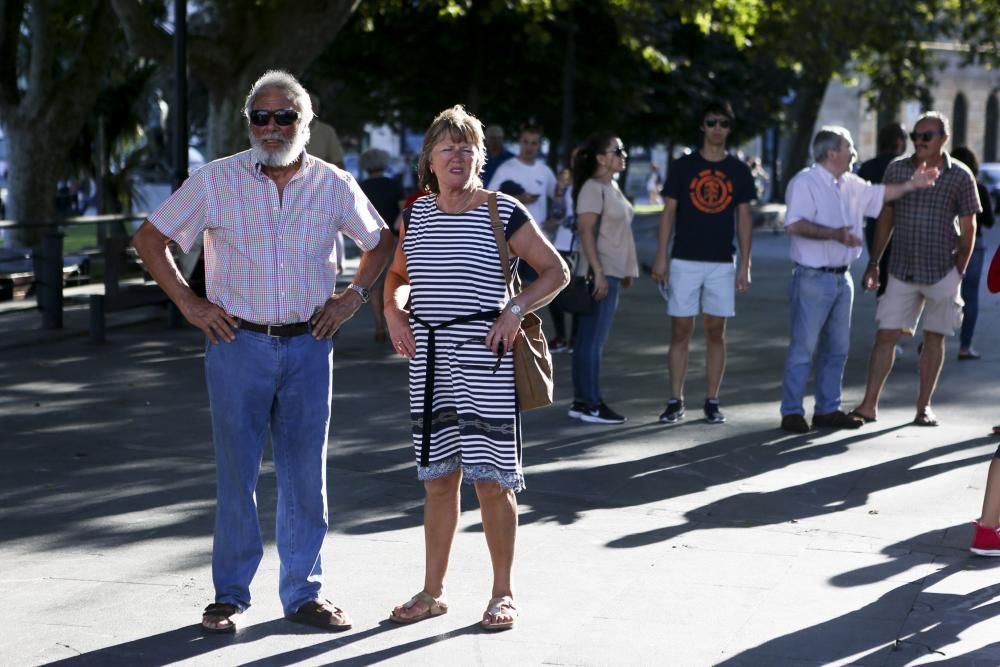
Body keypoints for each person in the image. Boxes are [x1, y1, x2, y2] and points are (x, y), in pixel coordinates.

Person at [131, 70, 394, 634]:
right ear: (247, 122)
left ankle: (304, 593)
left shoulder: (334, 184)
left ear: (306, 123)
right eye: (260, 117)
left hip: (308, 345)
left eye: (284, 117)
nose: (271, 127)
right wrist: (190, 304)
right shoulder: (215, 180)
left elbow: (379, 242)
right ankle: (230, 597)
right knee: (237, 475)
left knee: (305, 476)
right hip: (237, 344)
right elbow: (149, 240)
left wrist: (351, 299)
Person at [383, 105, 568, 631]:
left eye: (468, 147)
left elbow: (556, 270)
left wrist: (514, 311)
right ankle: (432, 591)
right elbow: (397, 275)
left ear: (480, 158)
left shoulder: (501, 209)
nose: (458, 155)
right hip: (431, 360)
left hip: (486, 359)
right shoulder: (415, 214)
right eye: (448, 147)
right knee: (439, 481)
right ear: (430, 160)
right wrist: (394, 313)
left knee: (492, 482)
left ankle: (502, 593)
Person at [779, 127, 938, 434]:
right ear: (831, 153)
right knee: (803, 348)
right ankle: (792, 412)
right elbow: (794, 224)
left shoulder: (850, 183)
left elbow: (881, 194)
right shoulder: (805, 183)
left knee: (837, 348)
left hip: (842, 279)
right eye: (849, 147)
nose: (854, 153)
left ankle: (827, 409)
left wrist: (912, 184)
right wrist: (835, 234)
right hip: (812, 277)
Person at [851, 112, 981, 427]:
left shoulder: (960, 175)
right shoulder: (897, 169)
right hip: (902, 268)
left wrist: (959, 269)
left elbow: (969, 225)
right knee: (885, 334)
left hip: (942, 269)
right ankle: (869, 405)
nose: (919, 141)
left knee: (934, 338)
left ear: (944, 138)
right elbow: (886, 219)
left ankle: (923, 407)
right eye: (916, 136)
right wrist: (874, 262)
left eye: (927, 135)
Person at [651, 100, 754, 425]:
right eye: (712, 122)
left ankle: (712, 400)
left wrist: (745, 264)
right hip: (683, 259)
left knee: (715, 332)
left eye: (723, 123)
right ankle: (675, 399)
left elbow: (744, 219)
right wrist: (661, 257)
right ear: (702, 126)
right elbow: (668, 212)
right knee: (680, 330)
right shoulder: (684, 166)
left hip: (722, 262)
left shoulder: (739, 170)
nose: (718, 129)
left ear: (729, 129)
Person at [567, 132, 639, 424]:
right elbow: (586, 232)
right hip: (600, 273)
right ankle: (591, 404)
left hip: (610, 272)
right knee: (592, 342)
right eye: (617, 150)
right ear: (601, 158)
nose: (623, 155)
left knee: (588, 340)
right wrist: (599, 273)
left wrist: (626, 270)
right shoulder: (593, 188)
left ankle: (583, 402)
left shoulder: (611, 187)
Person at [950, 146, 996, 360]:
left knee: (941, 294)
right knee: (970, 298)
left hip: (946, 244)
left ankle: (931, 340)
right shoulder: (979, 188)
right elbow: (989, 222)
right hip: (974, 247)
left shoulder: (945, 186)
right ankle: (965, 346)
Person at [359, 147, 406, 342]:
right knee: (396, 279)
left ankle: (379, 325)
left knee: (376, 286)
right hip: (393, 239)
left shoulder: (360, 186)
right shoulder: (394, 185)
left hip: (370, 240)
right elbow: (404, 211)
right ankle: (395, 322)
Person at [858, 124, 908, 297]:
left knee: (879, 269)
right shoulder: (906, 167)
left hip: (873, 226)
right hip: (902, 229)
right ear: (898, 141)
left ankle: (883, 306)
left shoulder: (867, 167)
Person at [486, 122, 558, 236]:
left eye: (534, 143)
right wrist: (518, 199)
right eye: (525, 142)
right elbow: (489, 199)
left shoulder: (545, 171)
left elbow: (559, 197)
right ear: (519, 142)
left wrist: (554, 220)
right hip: (511, 238)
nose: (529, 147)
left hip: (540, 237)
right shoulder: (505, 168)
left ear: (539, 145)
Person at [481, 124, 514, 188]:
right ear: (486, 139)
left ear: (502, 139)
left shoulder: (511, 159)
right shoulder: (479, 158)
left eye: (498, 138)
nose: (495, 141)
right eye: (492, 138)